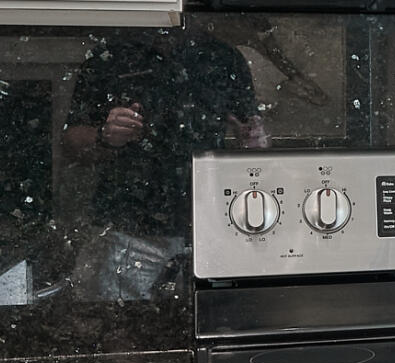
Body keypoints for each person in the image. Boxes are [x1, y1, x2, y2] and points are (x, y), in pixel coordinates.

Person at [60, 31, 268, 237]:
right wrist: (104, 135)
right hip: (127, 225)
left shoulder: (223, 57)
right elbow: (70, 144)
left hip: (211, 220)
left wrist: (250, 142)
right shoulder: (111, 55)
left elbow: (252, 136)